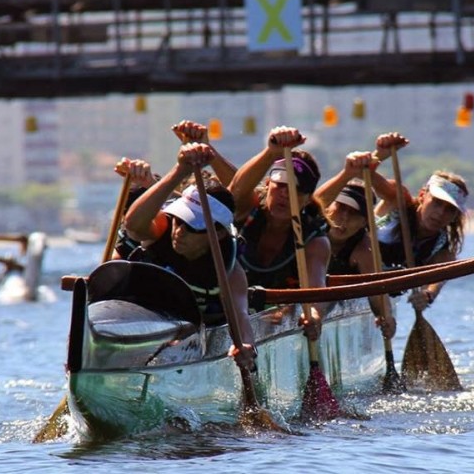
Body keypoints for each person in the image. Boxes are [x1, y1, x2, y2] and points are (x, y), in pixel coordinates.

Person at [123, 141, 257, 370]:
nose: (179, 231)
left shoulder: (230, 271)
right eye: (179, 220)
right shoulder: (161, 228)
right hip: (141, 319)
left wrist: (245, 346)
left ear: (219, 234)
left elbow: (241, 315)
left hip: (194, 328)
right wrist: (180, 170)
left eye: (192, 226)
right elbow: (133, 225)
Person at [227, 126, 329, 341]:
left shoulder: (314, 241)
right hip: (230, 311)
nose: (285, 194)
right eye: (280, 185)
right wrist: (271, 152)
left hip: (279, 317)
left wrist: (313, 314)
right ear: (267, 185)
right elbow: (235, 189)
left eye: (295, 190)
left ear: (307, 199)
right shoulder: (246, 210)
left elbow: (316, 289)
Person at [313, 145, 408, 340]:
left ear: (365, 222)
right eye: (341, 208)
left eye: (354, 214)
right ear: (329, 209)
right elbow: (315, 200)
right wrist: (348, 173)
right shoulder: (310, 232)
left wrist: (386, 316)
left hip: (337, 297)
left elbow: (377, 291)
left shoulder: (364, 248)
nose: (343, 219)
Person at [374, 168, 469, 313]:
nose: (440, 213)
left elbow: (433, 285)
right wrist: (374, 158)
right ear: (422, 195)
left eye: (450, 209)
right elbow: (368, 175)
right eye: (437, 202)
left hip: (380, 297)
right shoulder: (398, 200)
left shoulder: (443, 253)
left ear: (455, 215)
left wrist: (426, 296)